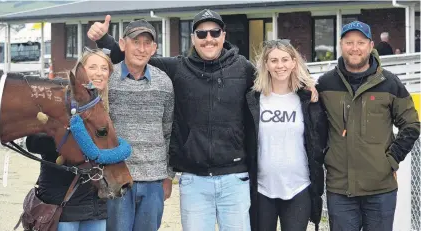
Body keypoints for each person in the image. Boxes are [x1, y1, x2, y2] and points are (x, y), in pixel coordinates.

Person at [88, 10, 317, 231]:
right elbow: (137, 58)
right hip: (194, 180)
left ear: (223, 36)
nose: (209, 39)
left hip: (234, 179)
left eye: (214, 33)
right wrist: (104, 40)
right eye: (202, 34)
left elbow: (278, 76)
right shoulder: (178, 69)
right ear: (194, 38)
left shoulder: (243, 68)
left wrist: (306, 88)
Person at [317, 21, 420, 231]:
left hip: (380, 189)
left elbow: (411, 124)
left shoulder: (389, 83)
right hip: (340, 190)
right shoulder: (326, 84)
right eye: (349, 42)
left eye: (360, 42)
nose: (355, 48)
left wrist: (390, 160)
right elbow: (314, 126)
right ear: (340, 44)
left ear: (371, 45)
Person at [25, 48, 114, 231]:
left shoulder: (108, 108)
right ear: (80, 72)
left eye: (104, 68)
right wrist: (68, 139)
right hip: (61, 199)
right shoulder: (58, 99)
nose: (99, 73)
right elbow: (32, 142)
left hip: (96, 202)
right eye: (93, 67)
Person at [245, 39, 327, 231]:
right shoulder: (253, 99)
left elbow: (319, 139)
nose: (279, 65)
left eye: (284, 60)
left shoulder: (308, 99)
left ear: (293, 62)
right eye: (273, 60)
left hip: (299, 187)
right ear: (266, 64)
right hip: (262, 188)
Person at [102, 20, 174, 231]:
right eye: (136, 42)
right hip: (116, 177)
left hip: (154, 181)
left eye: (147, 43)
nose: (141, 49)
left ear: (154, 48)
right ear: (123, 44)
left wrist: (168, 175)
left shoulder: (164, 82)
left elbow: (168, 131)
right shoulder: (107, 78)